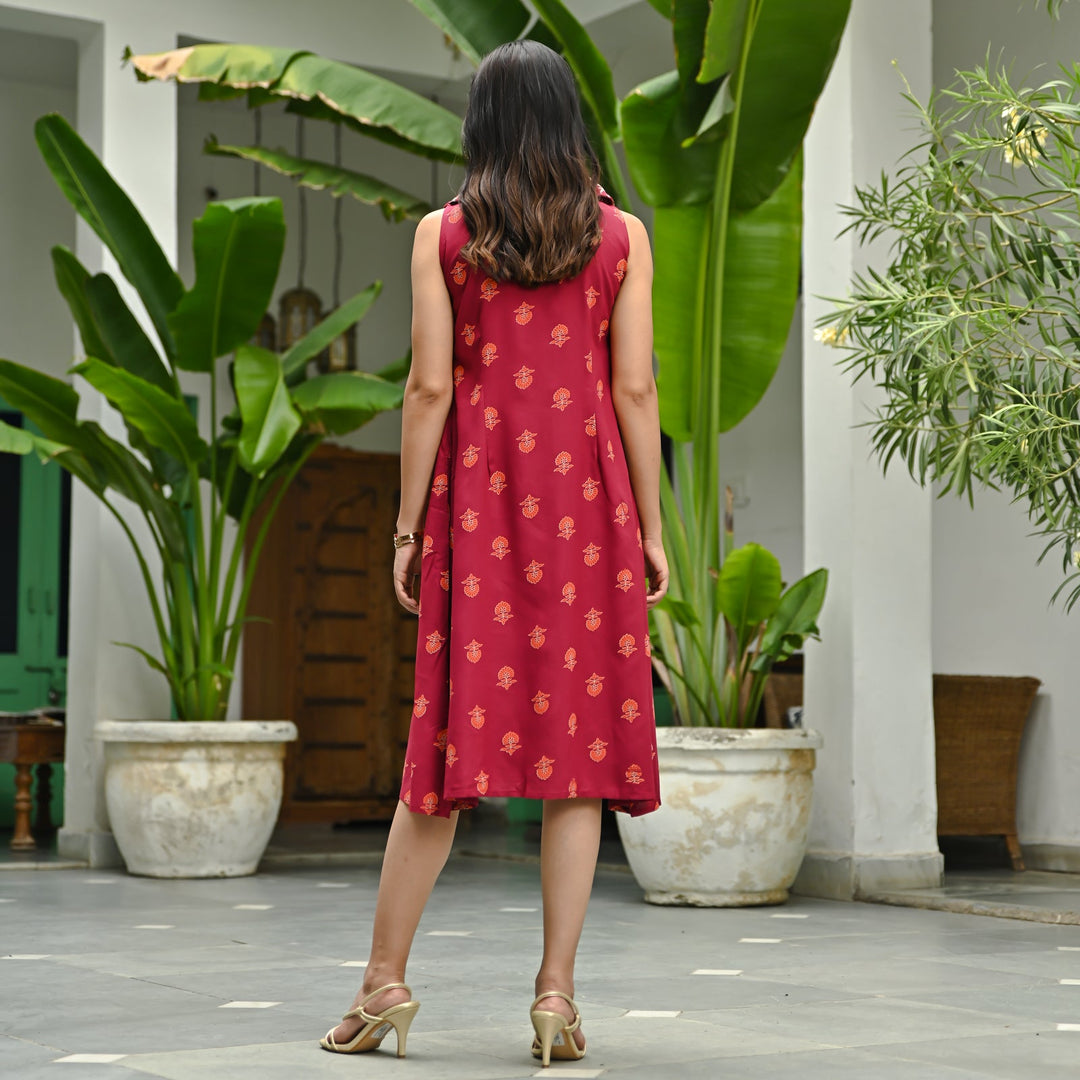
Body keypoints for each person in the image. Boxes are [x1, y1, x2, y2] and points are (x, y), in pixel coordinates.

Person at [320, 38, 669, 1068]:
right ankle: (556, 999)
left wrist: (406, 523)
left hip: (481, 513)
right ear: (571, 123)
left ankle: (385, 983)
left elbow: (427, 390)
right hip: (589, 506)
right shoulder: (622, 239)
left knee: (437, 758)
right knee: (576, 768)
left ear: (483, 128)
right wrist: (649, 528)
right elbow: (634, 390)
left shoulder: (445, 235)